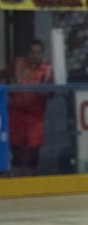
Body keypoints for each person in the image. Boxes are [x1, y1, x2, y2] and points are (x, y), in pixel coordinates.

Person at [0, 39, 54, 176]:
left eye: (39, 52)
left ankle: (30, 180)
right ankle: (17, 180)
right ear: (27, 54)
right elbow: (3, 77)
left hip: (35, 117)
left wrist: (42, 90)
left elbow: (51, 92)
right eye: (32, 52)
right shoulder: (18, 65)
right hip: (16, 114)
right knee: (16, 152)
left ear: (43, 54)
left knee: (33, 153)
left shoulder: (47, 70)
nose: (35, 55)